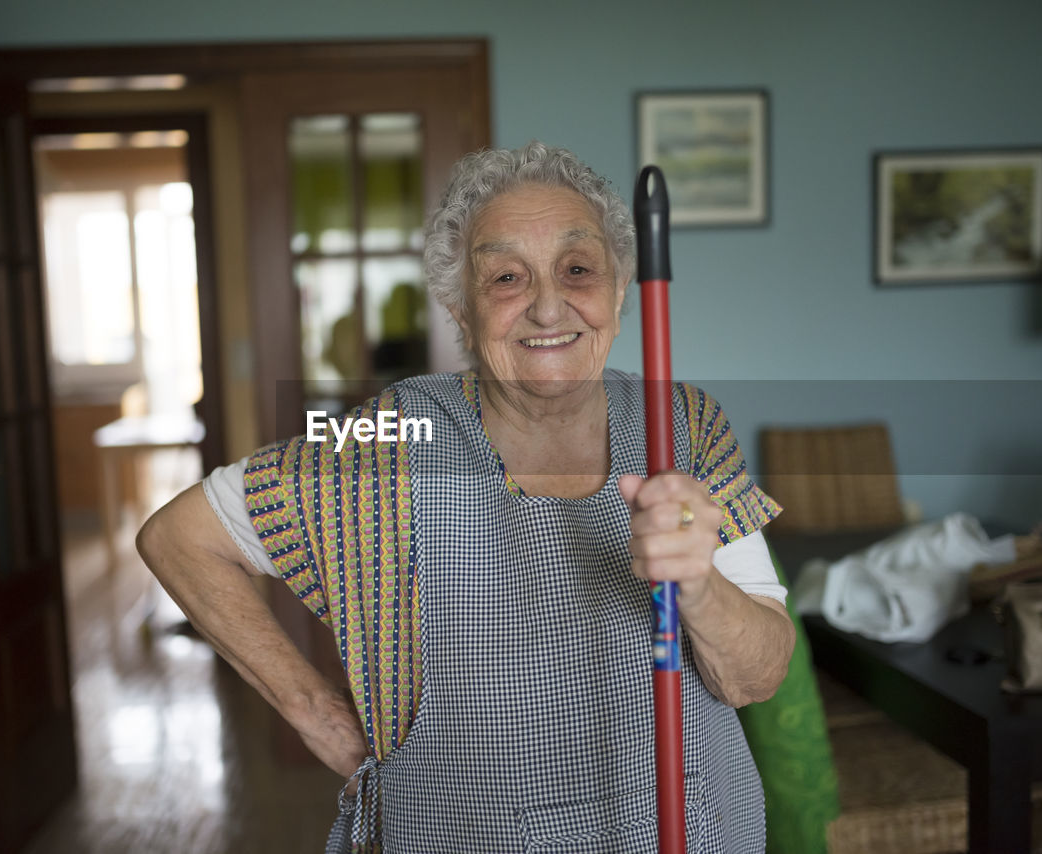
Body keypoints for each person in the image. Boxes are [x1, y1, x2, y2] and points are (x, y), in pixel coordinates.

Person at [137, 141, 795, 852]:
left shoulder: (684, 425)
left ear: (620, 289)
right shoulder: (391, 438)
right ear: (459, 305)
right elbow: (178, 538)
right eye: (507, 277)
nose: (548, 305)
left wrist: (698, 585)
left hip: (693, 829)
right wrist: (314, 711)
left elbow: (755, 678)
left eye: (577, 269)